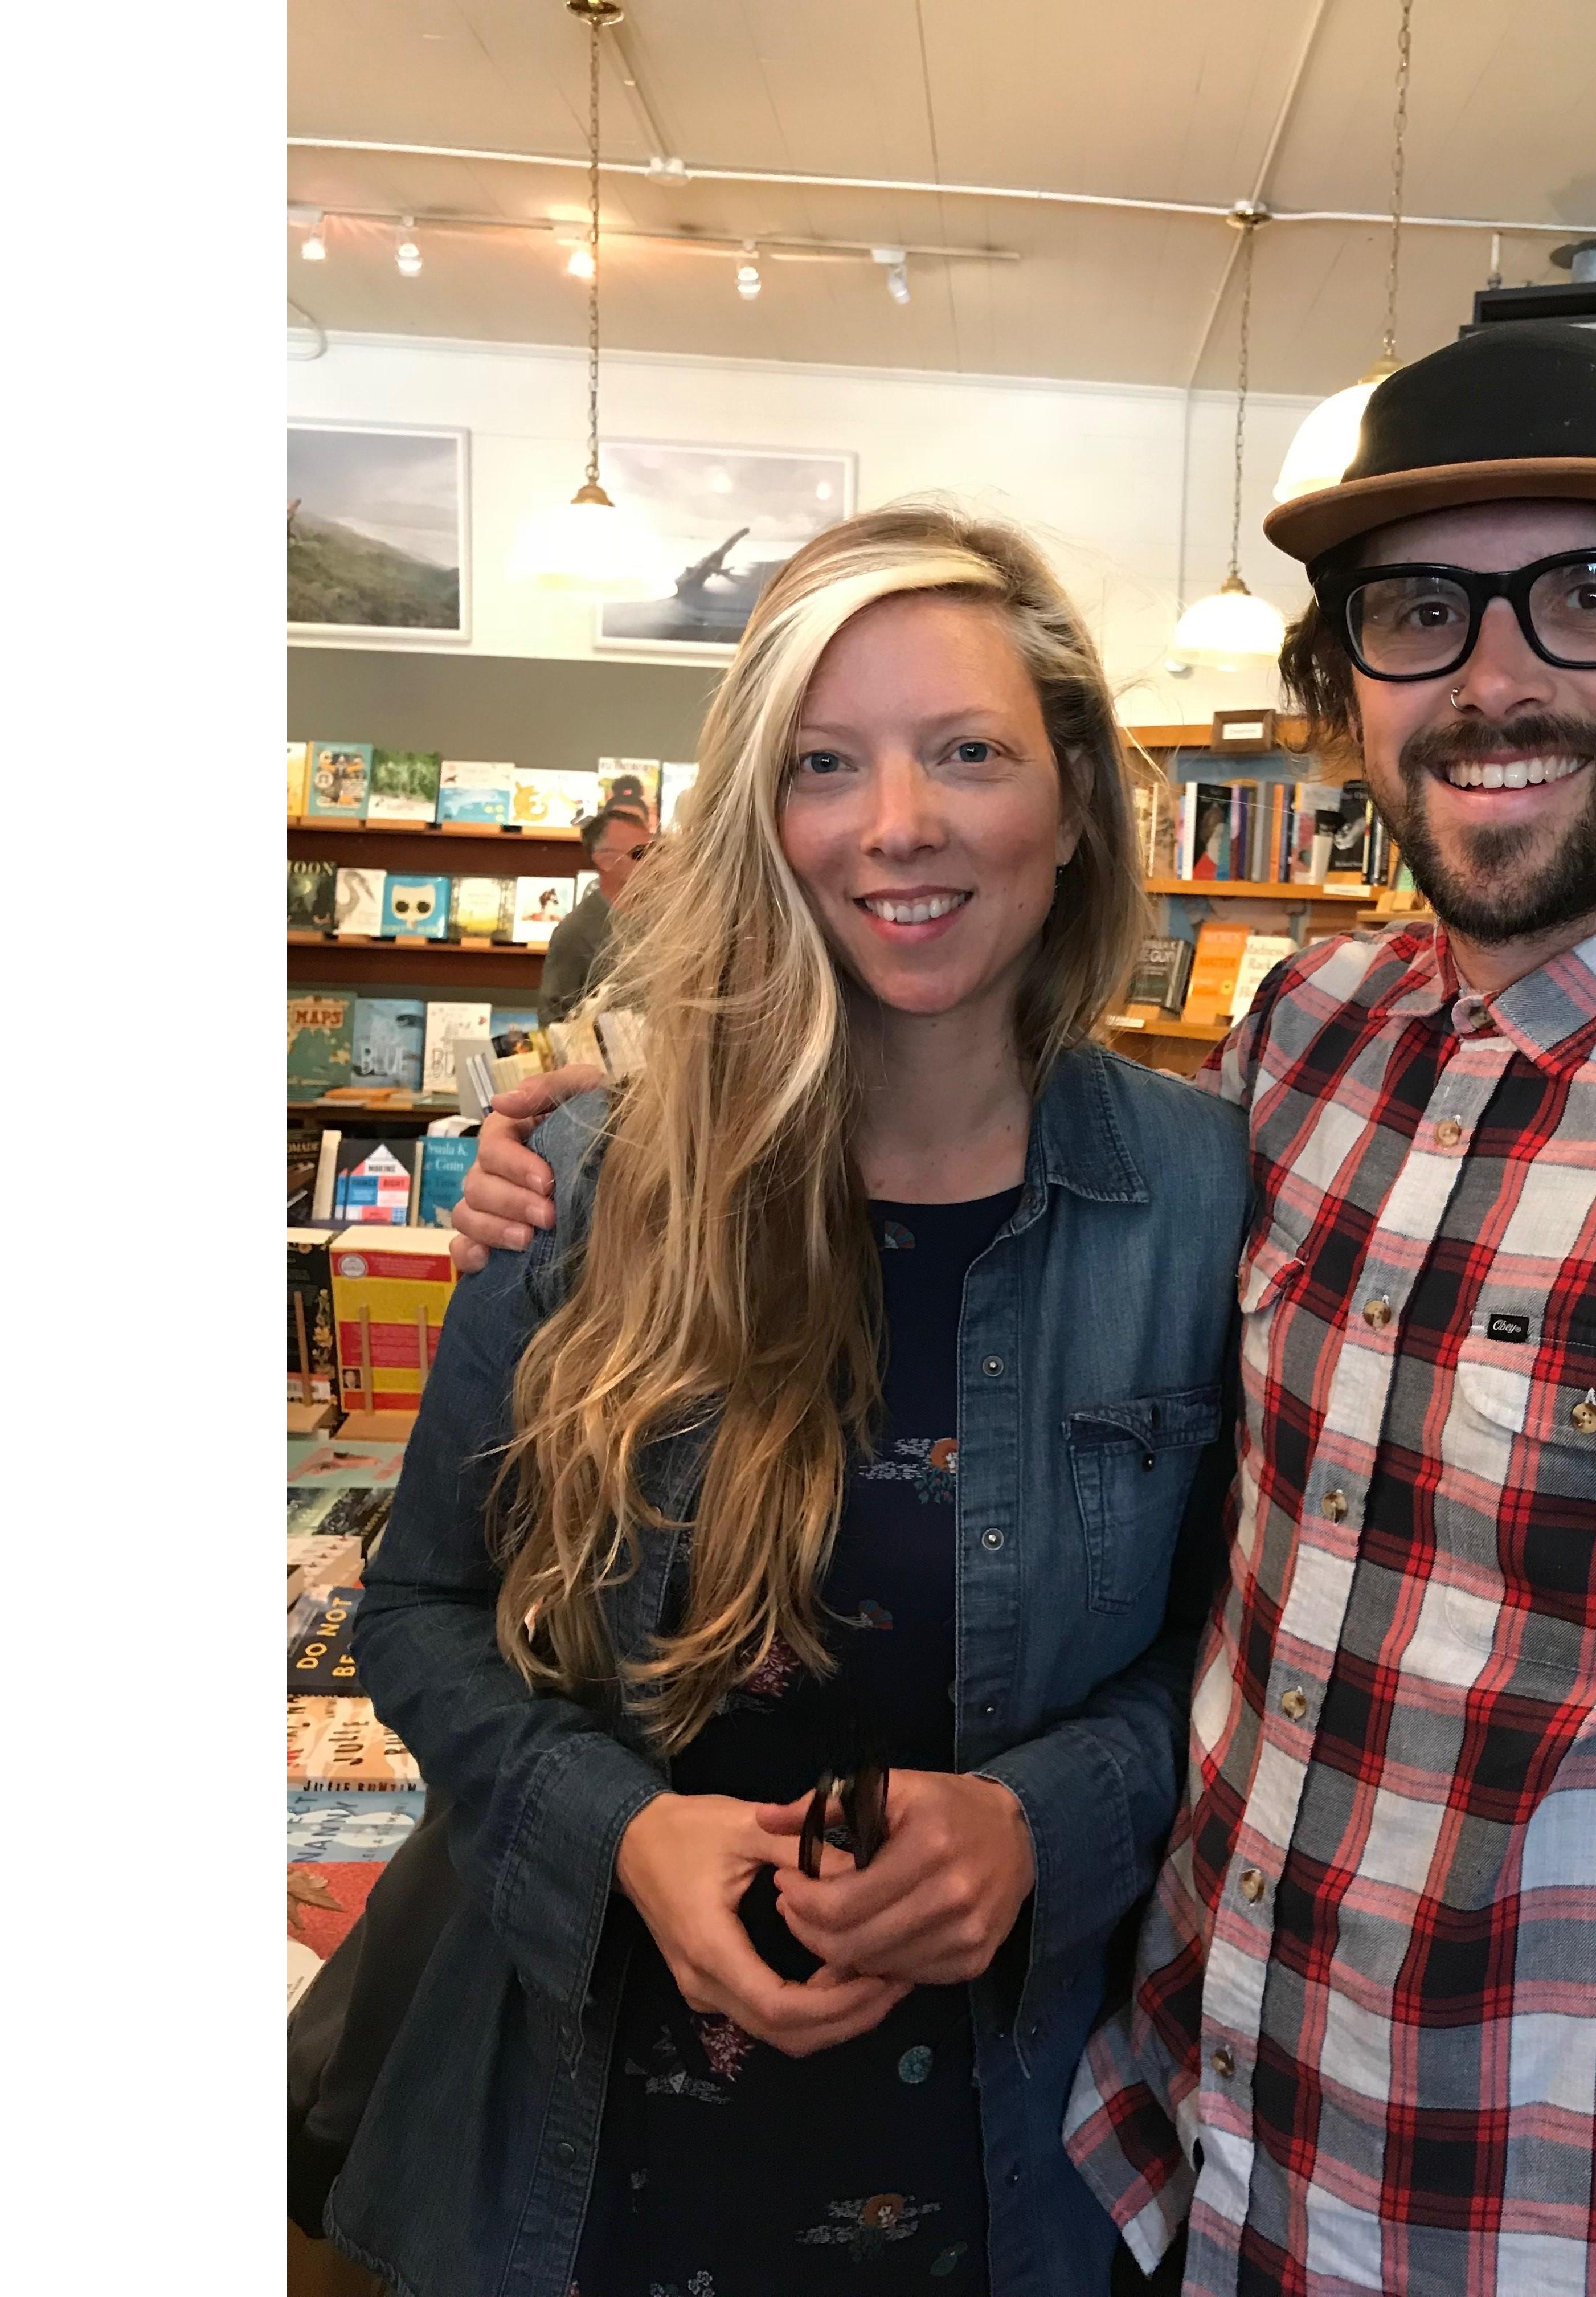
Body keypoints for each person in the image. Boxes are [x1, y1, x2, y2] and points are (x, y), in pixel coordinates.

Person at [452, 329, 1596, 2297]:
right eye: (1419, 612)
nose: (1497, 679)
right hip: (1174, 2163)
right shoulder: (1306, 1043)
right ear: (1346, 674)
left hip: (1537, 2234)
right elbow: (1219, 1584)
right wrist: (583, 1105)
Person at [326, 502, 1251, 2297]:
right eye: (826, 763)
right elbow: (420, 1604)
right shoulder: (587, 1182)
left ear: (1068, 801)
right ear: (763, 815)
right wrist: (617, 1833)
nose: (898, 824)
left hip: (1031, 2164)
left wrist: (1042, 1819)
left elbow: (1243, 1655)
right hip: (600, 2165)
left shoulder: (1210, 1198)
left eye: (967, 753)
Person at [538, 802, 653, 1022]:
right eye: (640, 854)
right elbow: (555, 1021)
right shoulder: (575, 932)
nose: (653, 861)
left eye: (656, 850)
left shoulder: (667, 915)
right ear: (606, 861)